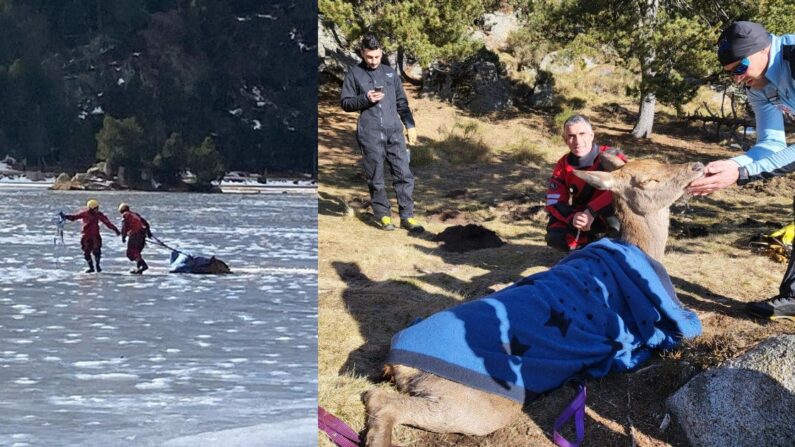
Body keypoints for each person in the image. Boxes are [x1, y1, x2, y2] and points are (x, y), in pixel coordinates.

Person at [687, 21, 795, 321]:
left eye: (740, 68)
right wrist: (736, 164)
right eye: (730, 73)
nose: (737, 79)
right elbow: (772, 144)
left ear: (764, 49)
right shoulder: (757, 82)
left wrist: (744, 173)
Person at [340, 33, 423, 233]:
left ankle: (407, 217)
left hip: (394, 130)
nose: (374, 61)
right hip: (369, 132)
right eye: (370, 57)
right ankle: (384, 215)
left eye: (377, 57)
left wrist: (409, 124)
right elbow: (345, 103)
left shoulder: (390, 73)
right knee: (375, 176)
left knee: (404, 174)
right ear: (362, 53)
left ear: (381, 53)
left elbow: (402, 102)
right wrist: (365, 98)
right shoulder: (354, 74)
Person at [545, 115, 627, 252]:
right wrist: (573, 218)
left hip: (608, 213)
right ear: (565, 140)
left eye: (582, 134)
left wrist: (592, 211)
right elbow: (553, 200)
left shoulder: (613, 157)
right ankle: (585, 247)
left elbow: (624, 188)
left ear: (591, 135)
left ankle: (614, 253)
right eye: (571, 136)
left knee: (617, 226)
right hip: (581, 216)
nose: (577, 141)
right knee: (556, 235)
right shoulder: (563, 164)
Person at [60, 199, 121, 273]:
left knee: (97, 252)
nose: (97, 209)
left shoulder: (99, 214)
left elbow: (107, 223)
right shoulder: (84, 214)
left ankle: (98, 266)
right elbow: (74, 217)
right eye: (95, 208)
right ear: (91, 208)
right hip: (86, 236)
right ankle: (91, 267)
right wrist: (65, 216)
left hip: (95, 236)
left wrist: (116, 230)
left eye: (97, 208)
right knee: (86, 253)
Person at [118, 203, 152, 274]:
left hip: (135, 235)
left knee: (130, 253)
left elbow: (124, 227)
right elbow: (145, 223)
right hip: (142, 234)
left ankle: (143, 266)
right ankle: (139, 269)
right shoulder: (135, 214)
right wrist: (148, 233)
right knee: (137, 252)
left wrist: (123, 237)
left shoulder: (125, 215)